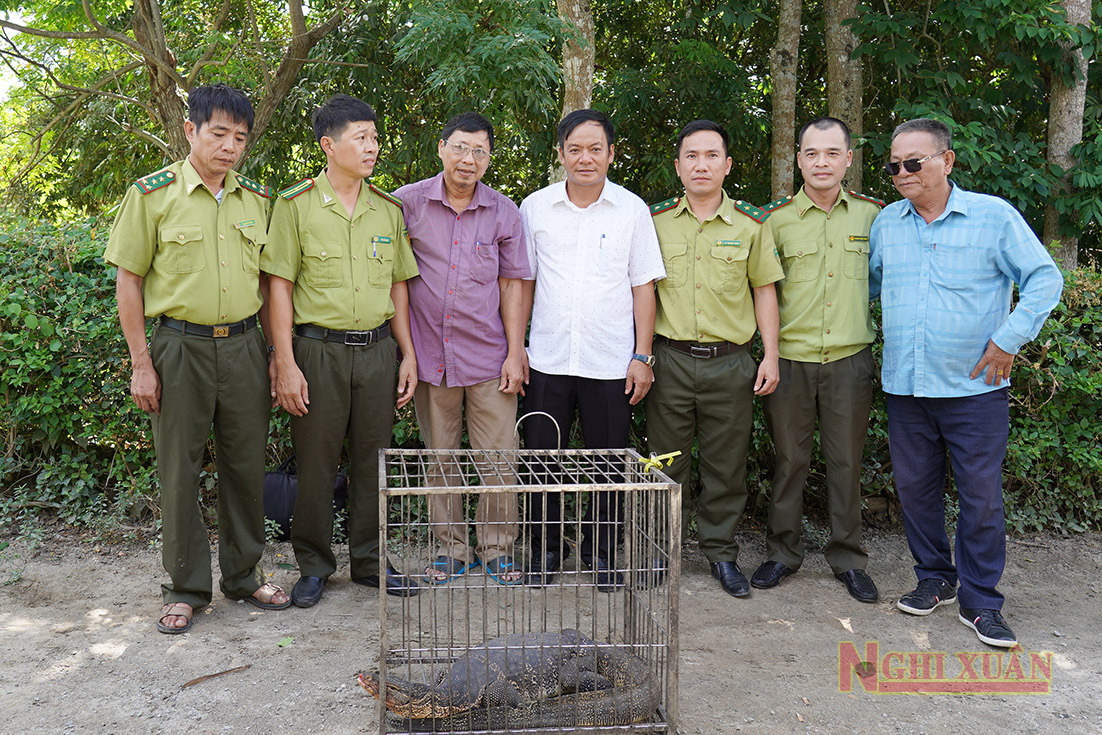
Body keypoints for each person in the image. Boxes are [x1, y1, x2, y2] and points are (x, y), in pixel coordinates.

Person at [870, 118, 1062, 647]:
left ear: (947, 161)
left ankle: (981, 602)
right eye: (894, 165)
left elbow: (1045, 277)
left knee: (980, 497)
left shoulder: (993, 217)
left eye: (915, 162)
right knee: (914, 491)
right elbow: (868, 287)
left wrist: (1009, 338)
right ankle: (935, 578)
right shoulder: (887, 223)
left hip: (975, 390)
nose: (903, 172)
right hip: (906, 387)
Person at [105, 83, 290, 634]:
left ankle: (244, 574)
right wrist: (142, 362)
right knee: (179, 469)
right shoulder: (151, 195)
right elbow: (129, 282)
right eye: (218, 133)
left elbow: (270, 283)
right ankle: (185, 587)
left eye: (239, 137)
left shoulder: (258, 200)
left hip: (243, 347)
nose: (229, 146)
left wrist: (278, 356)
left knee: (244, 464)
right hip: (177, 347)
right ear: (190, 130)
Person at [262, 94, 421, 607]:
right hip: (318, 352)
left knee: (376, 460)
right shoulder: (294, 206)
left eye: (375, 137)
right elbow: (278, 288)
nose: (372, 146)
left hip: (377, 352)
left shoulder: (387, 209)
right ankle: (313, 565)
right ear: (329, 145)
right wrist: (284, 362)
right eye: (362, 137)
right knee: (316, 461)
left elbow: (399, 285)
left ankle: (371, 562)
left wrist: (408, 355)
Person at [520, 109, 665, 590]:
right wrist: (516, 347)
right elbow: (523, 282)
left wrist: (642, 356)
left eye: (595, 149)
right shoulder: (535, 208)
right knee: (542, 460)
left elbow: (643, 285)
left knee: (606, 461)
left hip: (610, 361)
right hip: (547, 358)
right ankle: (544, 549)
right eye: (575, 149)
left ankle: (601, 551)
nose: (585, 158)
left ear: (611, 153)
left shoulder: (632, 210)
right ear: (560, 153)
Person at [647, 120, 783, 598]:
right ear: (678, 165)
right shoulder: (654, 222)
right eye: (691, 156)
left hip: (731, 362)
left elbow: (764, 290)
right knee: (663, 464)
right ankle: (658, 556)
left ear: (727, 165)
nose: (700, 164)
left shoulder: (750, 226)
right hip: (670, 360)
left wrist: (772, 356)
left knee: (727, 465)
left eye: (711, 156)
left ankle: (722, 554)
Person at [394, 112, 531, 586]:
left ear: (489, 159)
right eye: (459, 147)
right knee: (440, 456)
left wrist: (516, 352)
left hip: (489, 358)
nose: (467, 159)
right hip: (431, 357)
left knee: (498, 457)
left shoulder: (503, 212)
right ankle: (451, 549)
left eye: (479, 151)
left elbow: (513, 284)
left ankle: (496, 549)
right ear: (441, 148)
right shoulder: (406, 204)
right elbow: (393, 278)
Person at [753, 118, 882, 603]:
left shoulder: (874, 217)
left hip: (850, 359)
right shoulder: (775, 219)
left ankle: (848, 558)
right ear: (799, 159)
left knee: (846, 461)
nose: (821, 162)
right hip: (790, 360)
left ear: (849, 158)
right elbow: (763, 290)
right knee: (789, 460)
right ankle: (782, 554)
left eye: (832, 153)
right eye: (812, 153)